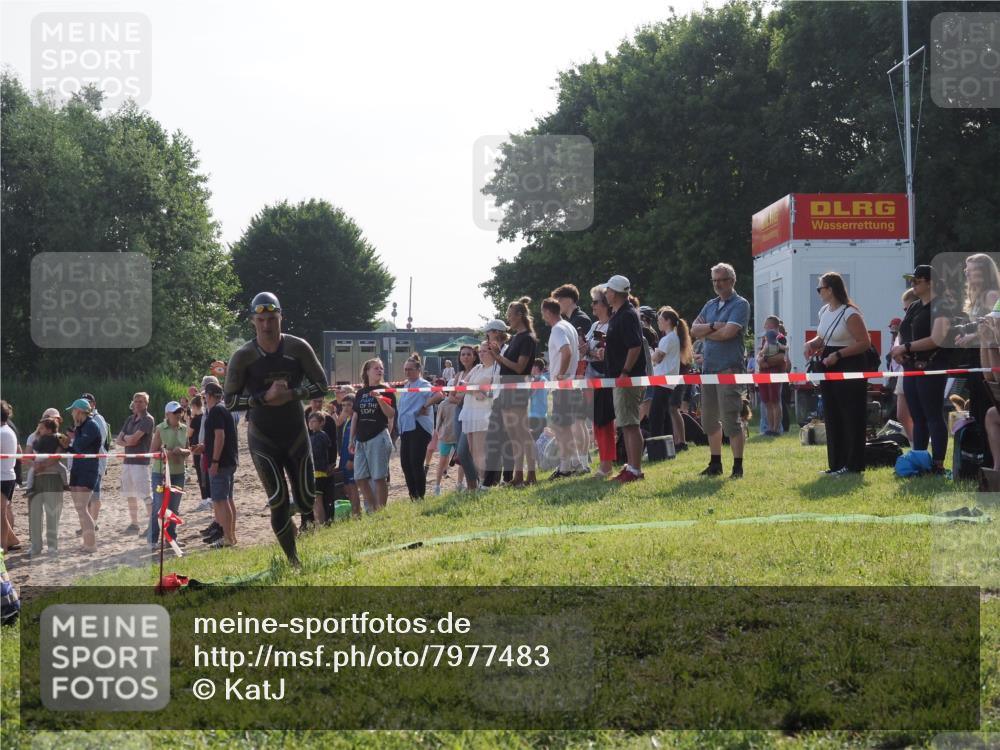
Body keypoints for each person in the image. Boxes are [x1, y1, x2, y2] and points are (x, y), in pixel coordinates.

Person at [224, 292, 330, 565]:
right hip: (263, 438)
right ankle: (293, 560)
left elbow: (322, 386)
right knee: (278, 500)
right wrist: (263, 398)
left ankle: (301, 520)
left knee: (307, 500)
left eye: (272, 318)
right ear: (253, 321)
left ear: (281, 317)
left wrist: (292, 394)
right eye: (261, 320)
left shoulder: (298, 348)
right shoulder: (244, 356)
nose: (267, 325)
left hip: (295, 432)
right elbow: (230, 400)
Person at [804, 272, 873, 475]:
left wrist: (839, 355)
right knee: (832, 414)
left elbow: (864, 342)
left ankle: (853, 465)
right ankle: (836, 463)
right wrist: (813, 343)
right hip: (829, 362)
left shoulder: (850, 313)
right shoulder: (825, 311)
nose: (819, 293)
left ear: (831, 289)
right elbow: (824, 336)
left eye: (820, 289)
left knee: (850, 414)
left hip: (850, 363)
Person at [891, 265, 954, 474]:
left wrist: (906, 347)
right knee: (917, 417)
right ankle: (919, 459)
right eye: (912, 280)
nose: (913, 284)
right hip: (910, 368)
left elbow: (937, 338)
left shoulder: (942, 306)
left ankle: (938, 463)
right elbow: (902, 333)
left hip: (932, 366)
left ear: (931, 282)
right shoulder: (914, 306)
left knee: (933, 415)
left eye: (917, 280)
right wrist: (898, 351)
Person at [690, 262, 751, 478]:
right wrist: (716, 326)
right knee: (708, 420)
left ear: (732, 281)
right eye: (714, 280)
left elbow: (729, 334)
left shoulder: (740, 304)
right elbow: (693, 329)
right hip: (708, 370)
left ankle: (738, 466)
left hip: (729, 369)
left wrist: (707, 330)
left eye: (722, 280)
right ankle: (715, 464)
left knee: (730, 419)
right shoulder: (710, 305)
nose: (717, 284)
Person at [600, 275, 647, 483]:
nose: (605, 294)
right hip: (620, 377)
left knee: (629, 423)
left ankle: (635, 469)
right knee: (626, 423)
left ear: (615, 293)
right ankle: (631, 466)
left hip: (626, 378)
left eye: (608, 291)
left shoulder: (627, 315)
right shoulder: (620, 313)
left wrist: (625, 371)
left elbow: (635, 345)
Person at [489, 298, 538, 486]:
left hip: (517, 387)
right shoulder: (517, 337)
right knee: (513, 433)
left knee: (522, 432)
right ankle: (518, 474)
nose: (508, 319)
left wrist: (498, 356)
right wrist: (497, 354)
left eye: (510, 315)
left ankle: (531, 474)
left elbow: (519, 367)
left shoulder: (527, 338)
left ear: (520, 315)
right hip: (507, 387)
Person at [541, 298, 586, 478]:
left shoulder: (558, 329)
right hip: (571, 384)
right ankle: (574, 463)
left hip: (563, 385)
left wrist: (560, 373)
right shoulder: (569, 326)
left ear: (547, 312)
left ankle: (568, 465)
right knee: (564, 426)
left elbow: (566, 351)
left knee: (560, 427)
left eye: (542, 312)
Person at [551, 283, 594, 471]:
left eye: (559, 299)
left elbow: (579, 350)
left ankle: (580, 462)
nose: (557, 304)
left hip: (577, 374)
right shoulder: (573, 320)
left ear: (570, 300)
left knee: (576, 422)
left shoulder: (579, 320)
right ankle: (582, 462)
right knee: (578, 420)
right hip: (577, 374)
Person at [350, 359, 397, 511]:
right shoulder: (360, 392)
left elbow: (391, 414)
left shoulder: (386, 390)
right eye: (376, 368)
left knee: (378, 477)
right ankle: (373, 508)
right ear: (367, 371)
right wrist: (352, 439)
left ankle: (380, 511)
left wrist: (380, 399)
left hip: (378, 436)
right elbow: (355, 416)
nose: (380, 370)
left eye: (381, 368)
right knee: (359, 477)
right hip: (361, 439)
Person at [397, 355, 443, 500]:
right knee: (405, 464)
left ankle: (420, 496)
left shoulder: (423, 384)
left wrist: (425, 405)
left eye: (410, 369)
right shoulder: (406, 386)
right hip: (405, 428)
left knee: (416, 463)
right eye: (405, 369)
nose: (407, 372)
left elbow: (439, 394)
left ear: (418, 370)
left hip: (419, 428)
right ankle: (413, 496)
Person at [650, 306, 693, 459]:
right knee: (665, 415)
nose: (658, 323)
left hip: (663, 381)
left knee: (656, 416)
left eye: (660, 320)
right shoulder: (672, 337)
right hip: (666, 382)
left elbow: (658, 358)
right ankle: (666, 448)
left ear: (667, 321)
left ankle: (655, 448)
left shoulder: (667, 339)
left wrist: (650, 354)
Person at [200, 383, 238, 547]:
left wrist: (214, 461)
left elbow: (220, 436)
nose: (203, 400)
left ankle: (228, 538)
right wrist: (204, 447)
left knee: (220, 501)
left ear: (209, 395)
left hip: (221, 463)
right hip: (228, 461)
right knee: (227, 499)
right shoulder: (224, 409)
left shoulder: (216, 411)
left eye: (204, 396)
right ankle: (231, 536)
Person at [583, 286, 616, 478]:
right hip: (593, 379)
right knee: (597, 423)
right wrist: (587, 350)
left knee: (605, 422)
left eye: (595, 302)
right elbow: (586, 350)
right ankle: (604, 462)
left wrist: (595, 353)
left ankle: (607, 465)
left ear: (605, 304)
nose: (592, 306)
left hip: (606, 379)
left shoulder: (612, 325)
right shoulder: (595, 326)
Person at [148, 401, 190, 546]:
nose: (178, 414)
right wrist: (169, 454)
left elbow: (188, 449)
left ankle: (171, 538)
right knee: (159, 506)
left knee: (174, 507)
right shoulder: (160, 428)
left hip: (178, 473)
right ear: (167, 414)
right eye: (175, 412)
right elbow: (153, 452)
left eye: (180, 411)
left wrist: (182, 451)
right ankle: (153, 539)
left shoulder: (184, 428)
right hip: (160, 473)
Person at [65, 398, 102, 553]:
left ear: (79, 411)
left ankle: (91, 545)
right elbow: (75, 450)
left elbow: (79, 445)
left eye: (73, 411)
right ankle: (87, 542)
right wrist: (66, 444)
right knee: (79, 508)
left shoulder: (91, 426)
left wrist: (71, 439)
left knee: (83, 509)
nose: (72, 414)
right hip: (77, 468)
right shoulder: (80, 426)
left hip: (88, 469)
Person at [115, 392, 155, 535]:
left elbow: (132, 440)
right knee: (129, 493)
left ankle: (152, 524)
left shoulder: (148, 420)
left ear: (146, 404)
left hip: (140, 462)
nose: (138, 404)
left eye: (141, 401)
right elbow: (118, 441)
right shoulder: (130, 419)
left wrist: (126, 438)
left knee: (145, 494)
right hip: (128, 461)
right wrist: (128, 438)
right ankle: (134, 523)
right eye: (136, 401)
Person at [460, 342, 499, 486]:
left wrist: (472, 389)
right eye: (480, 351)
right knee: (472, 451)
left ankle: (484, 481)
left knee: (480, 450)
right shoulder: (477, 367)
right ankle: (480, 480)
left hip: (482, 413)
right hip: (469, 410)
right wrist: (475, 390)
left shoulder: (495, 369)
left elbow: (489, 393)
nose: (481, 354)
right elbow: (462, 383)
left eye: (485, 351)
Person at [27, 418, 65, 557]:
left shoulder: (60, 437)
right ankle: (36, 546)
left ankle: (52, 546)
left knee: (52, 513)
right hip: (37, 478)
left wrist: (42, 465)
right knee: (35, 514)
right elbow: (27, 455)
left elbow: (58, 455)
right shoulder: (34, 437)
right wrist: (34, 466)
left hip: (53, 477)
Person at [450, 344, 482, 491]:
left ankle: (476, 482)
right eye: (463, 354)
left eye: (469, 354)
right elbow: (451, 397)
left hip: (473, 413)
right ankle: (472, 484)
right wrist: (463, 398)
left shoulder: (478, 372)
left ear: (474, 356)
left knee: (465, 450)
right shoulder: (458, 375)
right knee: (461, 452)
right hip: (458, 412)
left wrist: (463, 397)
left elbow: (473, 395)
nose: (465, 357)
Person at [80, 393, 109, 528]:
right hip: (84, 462)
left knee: (95, 494)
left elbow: (101, 439)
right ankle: (88, 522)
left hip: (96, 461)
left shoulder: (98, 418)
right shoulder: (81, 419)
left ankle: (93, 523)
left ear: (93, 404)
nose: (87, 404)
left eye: (89, 402)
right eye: (83, 401)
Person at [756, 316, 788, 437]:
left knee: (775, 401)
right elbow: (760, 356)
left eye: (766, 324)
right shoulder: (765, 339)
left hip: (775, 373)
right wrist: (760, 360)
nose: (764, 327)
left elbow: (781, 357)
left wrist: (766, 360)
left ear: (772, 325)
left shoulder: (780, 338)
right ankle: (769, 428)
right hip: (763, 373)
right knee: (767, 402)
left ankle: (776, 428)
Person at [335, 393, 361, 516]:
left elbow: (356, 441)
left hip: (351, 459)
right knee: (346, 488)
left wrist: (351, 459)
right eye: (343, 405)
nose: (345, 408)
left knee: (352, 487)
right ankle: (354, 513)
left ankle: (357, 514)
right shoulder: (348, 420)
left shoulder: (357, 421)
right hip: (344, 458)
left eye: (349, 405)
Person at [433, 381, 460, 496]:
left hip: (459, 436)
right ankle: (437, 486)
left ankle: (459, 484)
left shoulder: (461, 403)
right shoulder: (443, 404)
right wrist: (437, 433)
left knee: (462, 461)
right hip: (446, 437)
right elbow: (438, 421)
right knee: (442, 460)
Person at [0, 403, 22, 552]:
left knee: (1, 513)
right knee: (2, 512)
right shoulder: (8, 430)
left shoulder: (2, 432)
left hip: (3, 477)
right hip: (8, 475)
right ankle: (12, 539)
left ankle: (3, 546)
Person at [188, 395, 213, 512]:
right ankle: (209, 497)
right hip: (205, 448)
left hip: (197, 448)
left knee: (201, 473)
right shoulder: (206, 416)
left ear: (194, 406)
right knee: (206, 473)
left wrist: (188, 420)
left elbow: (188, 433)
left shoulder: (196, 419)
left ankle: (205, 499)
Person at [307, 412, 332, 524]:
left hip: (318, 472)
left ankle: (321, 523)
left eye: (314, 422)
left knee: (318, 499)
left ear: (321, 423)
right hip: (318, 471)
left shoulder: (320, 436)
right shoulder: (314, 436)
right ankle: (321, 522)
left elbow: (315, 453)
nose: (311, 424)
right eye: (309, 422)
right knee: (318, 499)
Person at [528, 358, 549, 441]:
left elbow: (530, 393)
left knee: (535, 441)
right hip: (541, 416)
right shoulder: (544, 379)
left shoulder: (540, 379)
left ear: (536, 368)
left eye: (531, 366)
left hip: (536, 416)